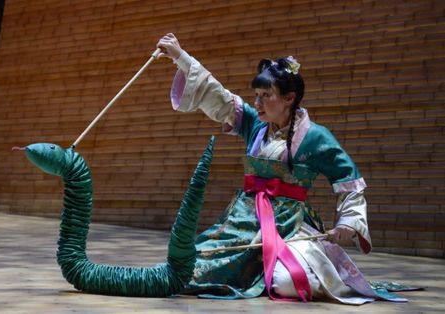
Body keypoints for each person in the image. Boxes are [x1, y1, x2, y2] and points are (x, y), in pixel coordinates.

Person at [155, 33, 406, 304]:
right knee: (193, 267)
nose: (257, 103)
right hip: (243, 221)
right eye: (256, 95)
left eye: (266, 96)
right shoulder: (253, 123)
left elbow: (349, 179)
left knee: (287, 281)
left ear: (288, 98)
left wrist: (348, 224)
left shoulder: (316, 137)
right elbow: (217, 94)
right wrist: (180, 56)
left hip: (291, 225)